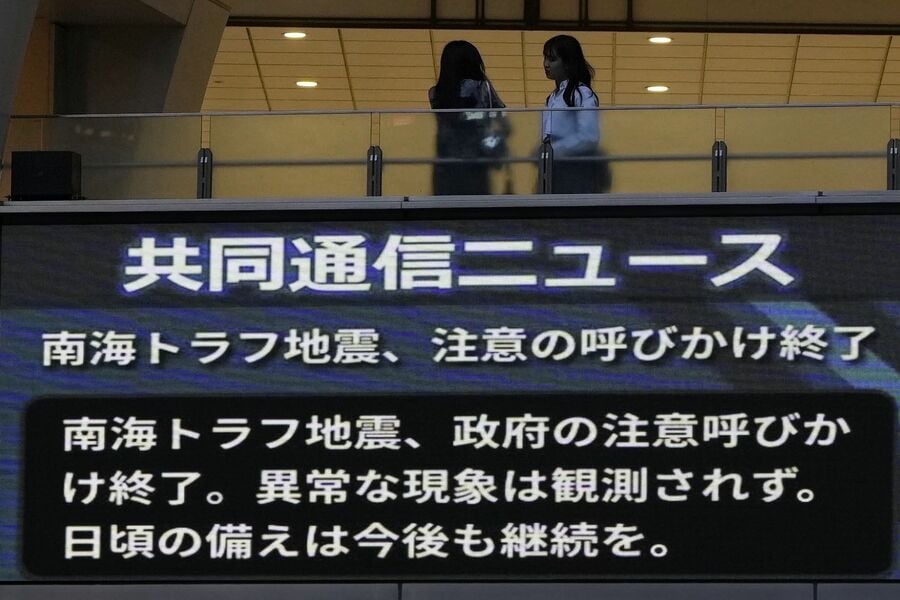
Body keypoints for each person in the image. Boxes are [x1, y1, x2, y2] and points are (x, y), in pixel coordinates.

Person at [429, 40, 506, 195]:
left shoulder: (435, 93)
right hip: (476, 160)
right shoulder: (481, 86)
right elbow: (501, 114)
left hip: (445, 162)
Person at [542, 34, 610, 193]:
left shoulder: (581, 93)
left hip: (575, 170)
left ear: (567, 63)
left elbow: (589, 136)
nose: (546, 64)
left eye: (552, 59)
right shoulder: (552, 97)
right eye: (545, 58)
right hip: (554, 170)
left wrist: (553, 150)